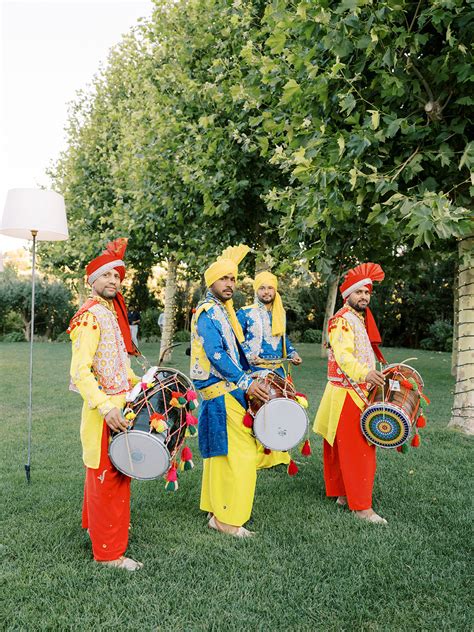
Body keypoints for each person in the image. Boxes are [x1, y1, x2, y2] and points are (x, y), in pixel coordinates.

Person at [68, 238, 143, 569]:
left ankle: (101, 529)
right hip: (104, 413)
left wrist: (141, 384)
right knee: (106, 477)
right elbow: (80, 371)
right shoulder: (90, 317)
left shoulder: (109, 314)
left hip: (119, 405)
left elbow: (118, 365)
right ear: (92, 280)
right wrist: (106, 407)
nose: (113, 281)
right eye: (107, 276)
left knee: (115, 474)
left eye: (118, 276)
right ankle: (108, 554)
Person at [190, 245, 269, 537]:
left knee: (223, 457)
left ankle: (216, 511)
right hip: (221, 390)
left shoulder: (224, 312)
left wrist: (255, 368)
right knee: (243, 456)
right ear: (211, 282)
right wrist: (246, 381)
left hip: (226, 390)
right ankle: (228, 519)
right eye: (223, 279)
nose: (229, 284)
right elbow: (216, 354)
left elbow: (234, 350)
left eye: (233, 279)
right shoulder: (208, 312)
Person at [313, 262, 388, 524]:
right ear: (348, 295)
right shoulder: (342, 321)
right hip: (348, 393)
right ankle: (361, 507)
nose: (364, 297)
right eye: (359, 293)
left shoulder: (357, 319)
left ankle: (344, 495)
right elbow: (344, 358)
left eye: (367, 293)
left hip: (347, 391)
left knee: (342, 445)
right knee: (359, 448)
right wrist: (366, 374)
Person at [237, 270, 302, 469]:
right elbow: (237, 339)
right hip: (254, 370)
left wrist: (292, 354)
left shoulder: (279, 312)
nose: (266, 292)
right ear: (256, 290)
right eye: (262, 288)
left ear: (275, 290)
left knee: (279, 410)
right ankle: (257, 457)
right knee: (258, 409)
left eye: (270, 288)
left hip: (277, 370)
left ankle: (278, 455)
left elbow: (283, 340)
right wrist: (249, 355)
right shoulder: (245, 312)